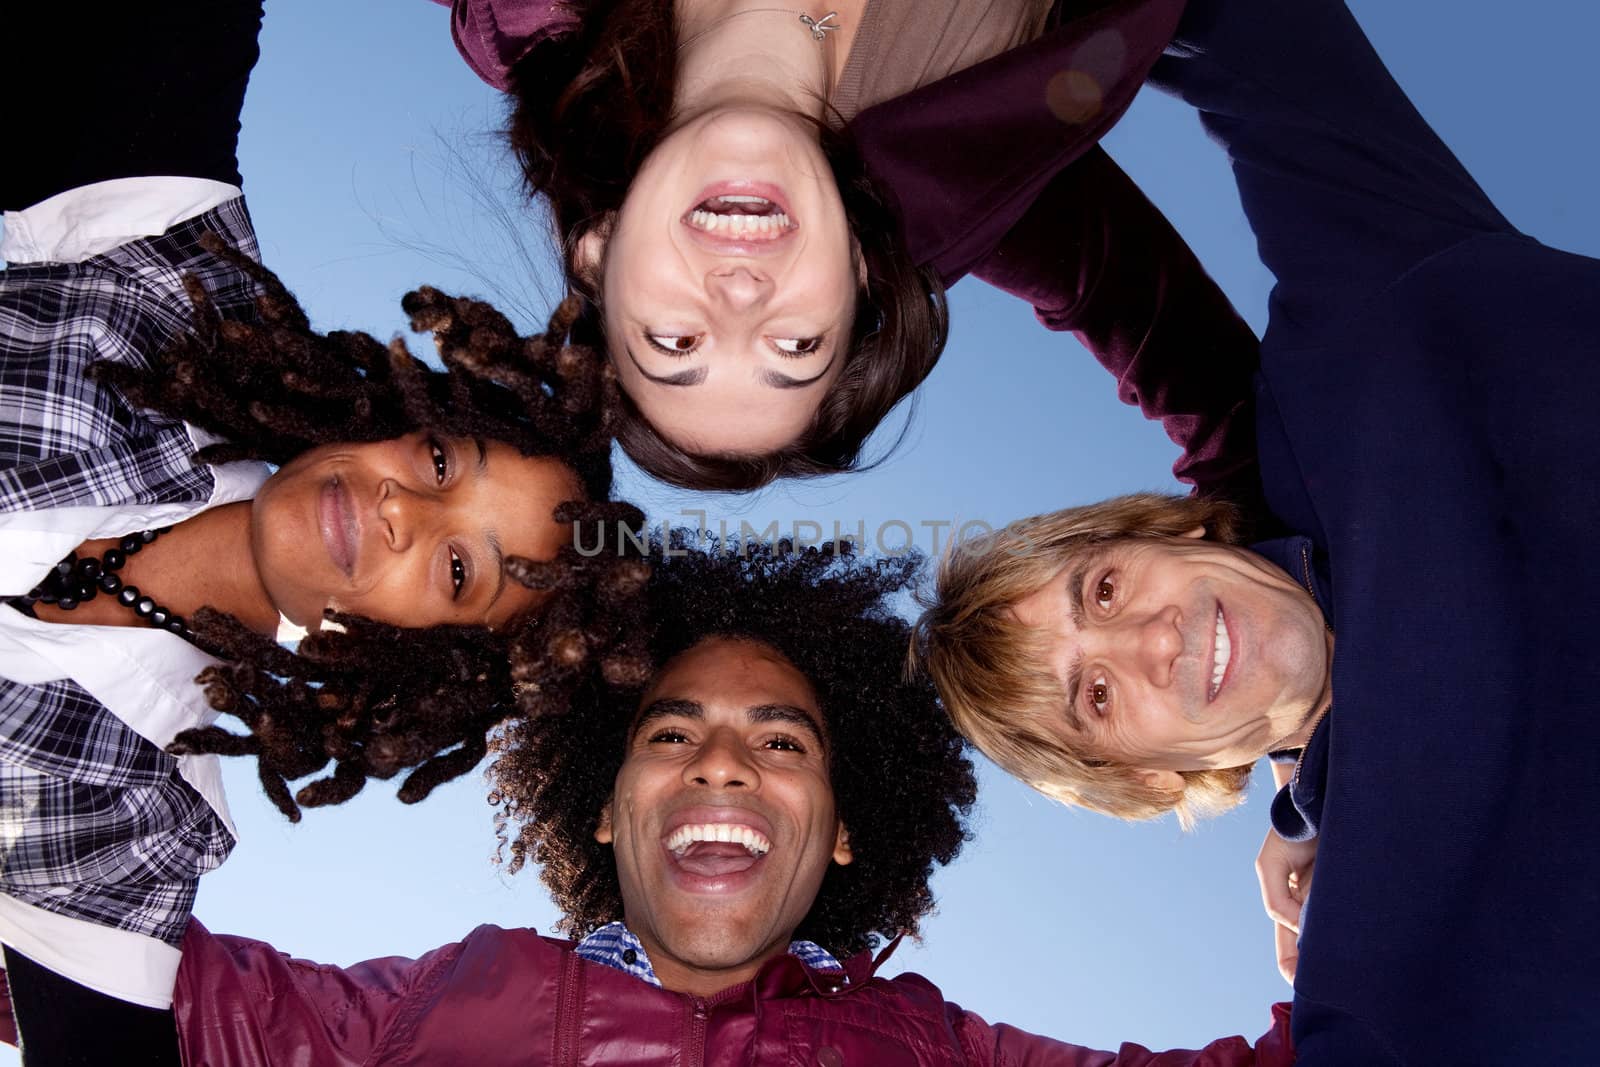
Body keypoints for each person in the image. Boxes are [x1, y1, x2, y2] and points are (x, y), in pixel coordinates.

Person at [916, 0, 1600, 1060]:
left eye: (1099, 588)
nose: (1150, 638)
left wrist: (849, 169)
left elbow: (1243, 33)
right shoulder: (1382, 973)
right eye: (1096, 697)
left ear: (1169, 535)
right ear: (1149, 778)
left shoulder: (1362, 334)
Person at [0, 1, 647, 1055]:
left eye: (453, 569)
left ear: (418, 657)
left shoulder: (136, 820)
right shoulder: (176, 299)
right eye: (442, 463)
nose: (402, 508)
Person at [0, 540, 1294, 1065]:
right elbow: (116, 964)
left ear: (843, 825)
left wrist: (1318, 832)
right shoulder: (443, 1005)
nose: (721, 763)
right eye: (671, 731)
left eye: (780, 739)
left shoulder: (929, 1044)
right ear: (607, 807)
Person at [430, 0, 1265, 501]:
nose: (740, 298)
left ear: (598, 255)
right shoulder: (960, 148)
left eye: (675, 341)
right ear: (859, 282)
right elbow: (1201, 375)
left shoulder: (542, 22)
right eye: (795, 347)